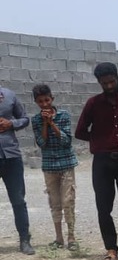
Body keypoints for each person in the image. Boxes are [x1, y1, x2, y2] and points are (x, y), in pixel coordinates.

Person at [75, 62, 118, 260]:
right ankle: (111, 247)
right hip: (102, 163)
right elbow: (80, 131)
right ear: (99, 83)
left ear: (117, 79)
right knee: (103, 207)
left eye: (112, 81)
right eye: (104, 83)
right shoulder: (93, 104)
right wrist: (99, 140)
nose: (109, 86)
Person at [30, 84, 79, 251]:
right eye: (40, 101)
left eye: (47, 100)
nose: (44, 104)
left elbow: (66, 141)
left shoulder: (64, 115)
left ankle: (71, 237)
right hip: (49, 165)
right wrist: (45, 124)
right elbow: (42, 143)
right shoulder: (36, 120)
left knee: (68, 201)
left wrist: (52, 124)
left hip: (66, 164)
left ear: (52, 99)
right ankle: (59, 238)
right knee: (55, 202)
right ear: (36, 102)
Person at [0, 84, 34, 255]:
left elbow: (25, 118)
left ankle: (24, 240)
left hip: (11, 156)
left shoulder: (9, 95)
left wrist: (10, 123)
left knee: (18, 200)